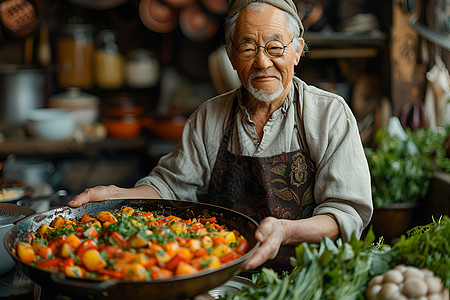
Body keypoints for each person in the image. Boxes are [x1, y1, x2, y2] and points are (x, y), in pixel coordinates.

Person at [68, 0, 373, 272]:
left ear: (296, 51)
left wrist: (286, 231)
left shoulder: (328, 115)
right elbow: (170, 188)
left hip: (307, 277)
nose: (263, 62)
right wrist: (115, 196)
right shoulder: (209, 117)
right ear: (231, 55)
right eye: (248, 47)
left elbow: (345, 213)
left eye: (275, 47)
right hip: (223, 275)